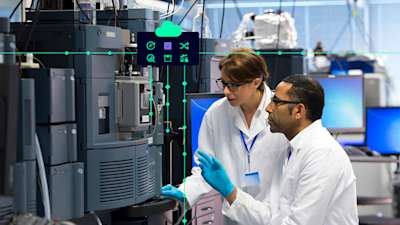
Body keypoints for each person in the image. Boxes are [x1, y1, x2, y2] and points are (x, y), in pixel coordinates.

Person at [197, 75, 358, 225]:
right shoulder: (293, 151)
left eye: (276, 101)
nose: (268, 108)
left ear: (298, 111)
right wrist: (230, 191)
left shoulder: (322, 154)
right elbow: (272, 216)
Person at [161, 48, 290, 224]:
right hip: (235, 216)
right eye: (224, 83)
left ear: (256, 81)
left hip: (276, 215)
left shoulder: (282, 111)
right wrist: (185, 192)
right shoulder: (216, 113)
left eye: (234, 85)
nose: (227, 92)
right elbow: (204, 168)